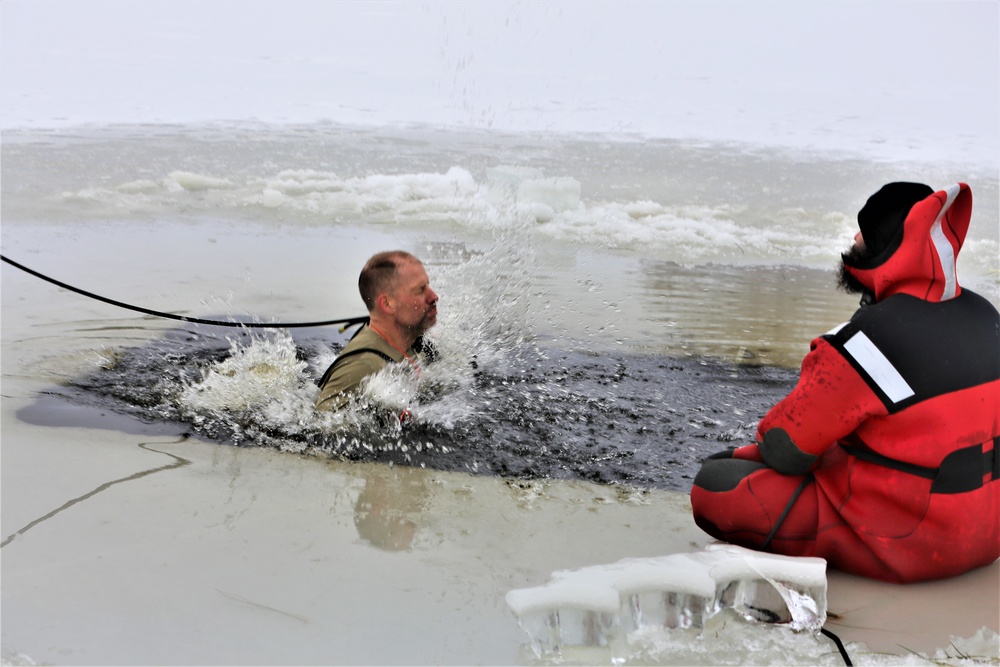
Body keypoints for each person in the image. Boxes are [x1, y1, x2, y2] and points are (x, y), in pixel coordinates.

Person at [690, 182, 999, 583]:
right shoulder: (986, 315)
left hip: (909, 542)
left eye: (865, 232)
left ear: (888, 247)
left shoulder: (871, 339)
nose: (854, 239)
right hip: (988, 535)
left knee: (716, 485)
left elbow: (785, 448)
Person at [315, 250, 438, 413]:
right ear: (387, 304)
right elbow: (319, 427)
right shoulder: (361, 366)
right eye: (419, 290)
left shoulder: (412, 339)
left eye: (428, 285)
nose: (434, 296)